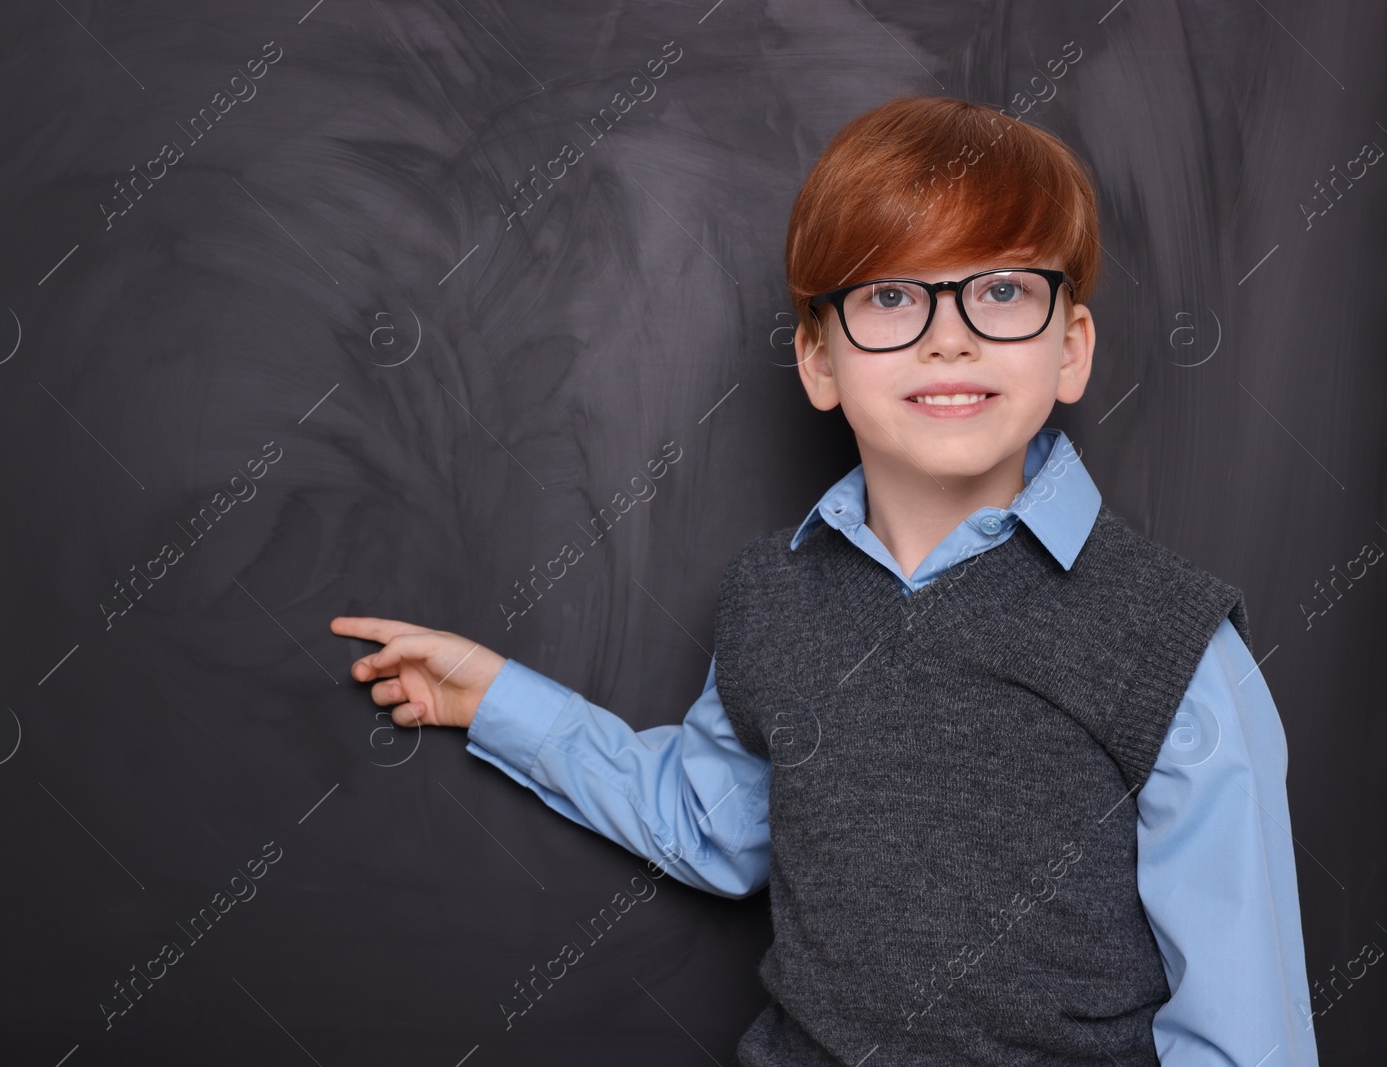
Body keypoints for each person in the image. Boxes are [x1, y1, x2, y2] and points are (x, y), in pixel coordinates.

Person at [331, 95, 1318, 1065]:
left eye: (1003, 288)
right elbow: (712, 821)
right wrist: (497, 696)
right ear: (817, 359)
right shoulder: (774, 592)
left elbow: (1246, 1028)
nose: (950, 334)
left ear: (1070, 348)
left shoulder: (1169, 640)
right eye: (891, 294)